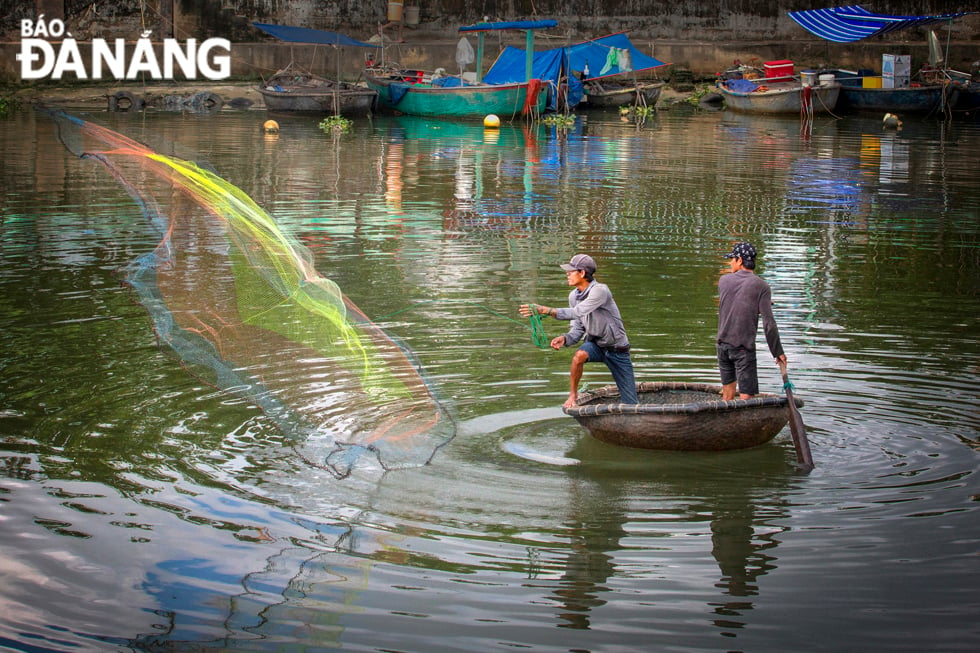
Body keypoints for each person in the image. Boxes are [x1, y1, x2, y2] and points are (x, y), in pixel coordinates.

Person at [520, 254, 638, 408]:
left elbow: (577, 312)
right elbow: (577, 328)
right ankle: (573, 394)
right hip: (596, 345)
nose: (567, 274)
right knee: (578, 356)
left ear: (582, 273)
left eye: (571, 271)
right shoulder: (573, 296)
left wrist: (545, 310)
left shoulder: (600, 291)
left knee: (631, 404)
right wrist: (565, 338)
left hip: (617, 349)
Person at [716, 242, 787, 401]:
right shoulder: (762, 286)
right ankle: (742, 424)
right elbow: (769, 324)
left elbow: (736, 302)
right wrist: (777, 351)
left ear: (740, 260)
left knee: (727, 395)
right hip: (742, 349)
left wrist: (760, 304)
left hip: (722, 346)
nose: (730, 262)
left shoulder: (723, 281)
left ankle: (726, 423)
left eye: (732, 259)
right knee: (746, 398)